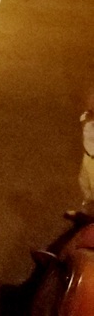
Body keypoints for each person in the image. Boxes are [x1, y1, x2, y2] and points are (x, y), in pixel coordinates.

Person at [65, 92, 94, 221]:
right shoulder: (85, 117)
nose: (91, 103)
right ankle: (87, 212)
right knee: (84, 183)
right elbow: (85, 132)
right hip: (87, 157)